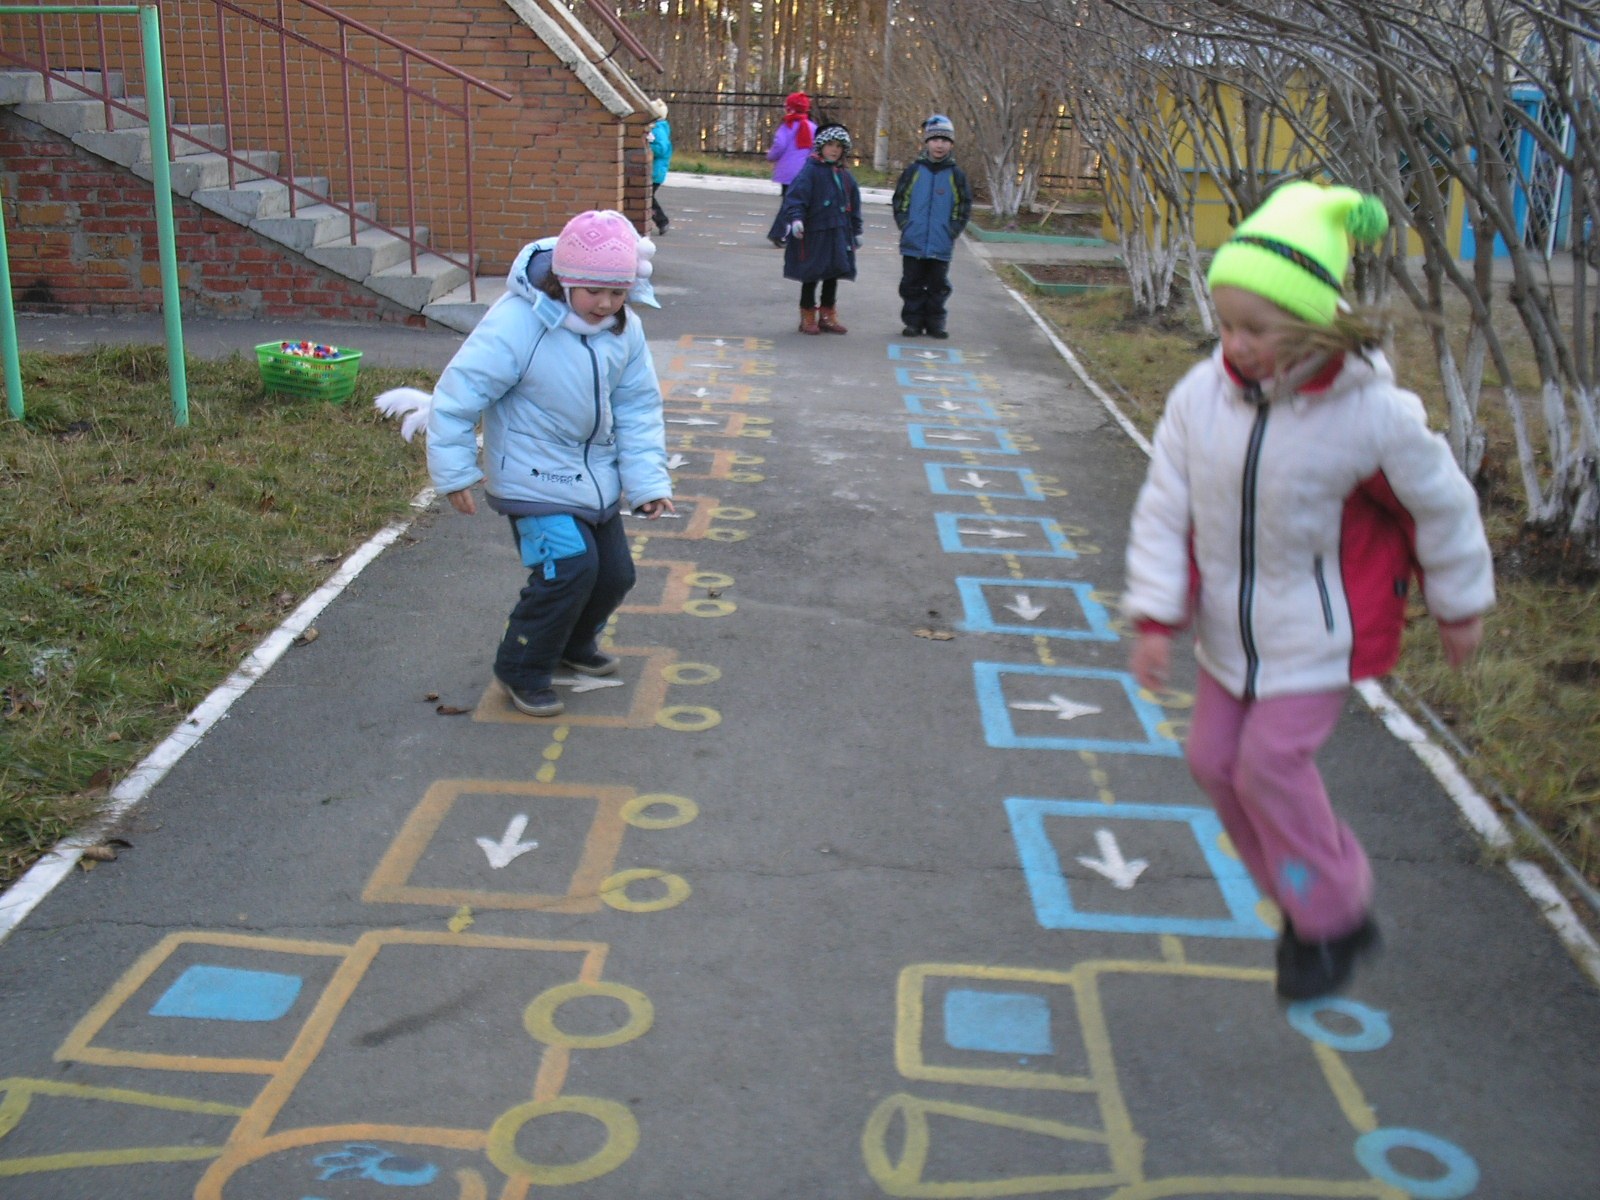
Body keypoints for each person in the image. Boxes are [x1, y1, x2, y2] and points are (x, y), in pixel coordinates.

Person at [1121, 180, 1495, 1002]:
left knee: (1269, 763)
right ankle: (1303, 899)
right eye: (1225, 324)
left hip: (1313, 639)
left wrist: (1460, 604)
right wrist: (1155, 614)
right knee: (1214, 762)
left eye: (1256, 328)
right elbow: (1166, 504)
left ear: (1312, 321)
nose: (1236, 344)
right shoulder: (1201, 399)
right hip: (1228, 637)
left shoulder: (1372, 416)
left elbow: (1441, 505)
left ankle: (1334, 910)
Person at [424, 211, 675, 718]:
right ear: (563, 281)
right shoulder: (519, 323)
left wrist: (646, 481)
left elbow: (638, 406)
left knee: (614, 576)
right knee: (568, 569)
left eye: (617, 292)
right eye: (592, 291)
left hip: (595, 478)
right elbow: (457, 395)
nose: (605, 304)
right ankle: (521, 667)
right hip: (531, 474)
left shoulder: (624, 329)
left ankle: (570, 642)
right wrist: (455, 472)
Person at [891, 113, 972, 339]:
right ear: (927, 142)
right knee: (911, 284)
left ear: (951, 144)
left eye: (945, 140)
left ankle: (936, 322)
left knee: (938, 285)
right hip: (913, 240)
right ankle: (913, 322)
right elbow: (900, 200)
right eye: (935, 140)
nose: (940, 145)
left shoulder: (956, 175)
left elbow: (963, 205)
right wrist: (905, 224)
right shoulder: (914, 171)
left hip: (941, 241)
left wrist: (952, 230)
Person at [780, 122, 863, 335]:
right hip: (814, 234)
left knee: (832, 274)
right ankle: (807, 314)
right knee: (811, 273)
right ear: (821, 146)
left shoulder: (845, 176)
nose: (834, 150)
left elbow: (853, 204)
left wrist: (855, 230)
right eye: (830, 145)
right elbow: (796, 198)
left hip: (838, 233)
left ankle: (828, 313)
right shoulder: (811, 171)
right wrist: (796, 219)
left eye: (839, 146)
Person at [765, 91, 816, 246]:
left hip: (787, 172)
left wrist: (771, 156)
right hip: (804, 172)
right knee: (795, 203)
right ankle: (781, 232)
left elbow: (779, 145)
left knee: (789, 202)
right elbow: (815, 149)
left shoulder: (787, 127)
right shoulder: (812, 128)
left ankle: (782, 232)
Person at [646, 98, 672, 235]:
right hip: (656, 171)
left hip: (655, 172)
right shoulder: (658, 127)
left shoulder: (658, 129)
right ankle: (661, 221)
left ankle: (662, 221)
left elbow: (662, 149)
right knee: (648, 198)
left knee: (648, 199)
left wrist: (648, 145)